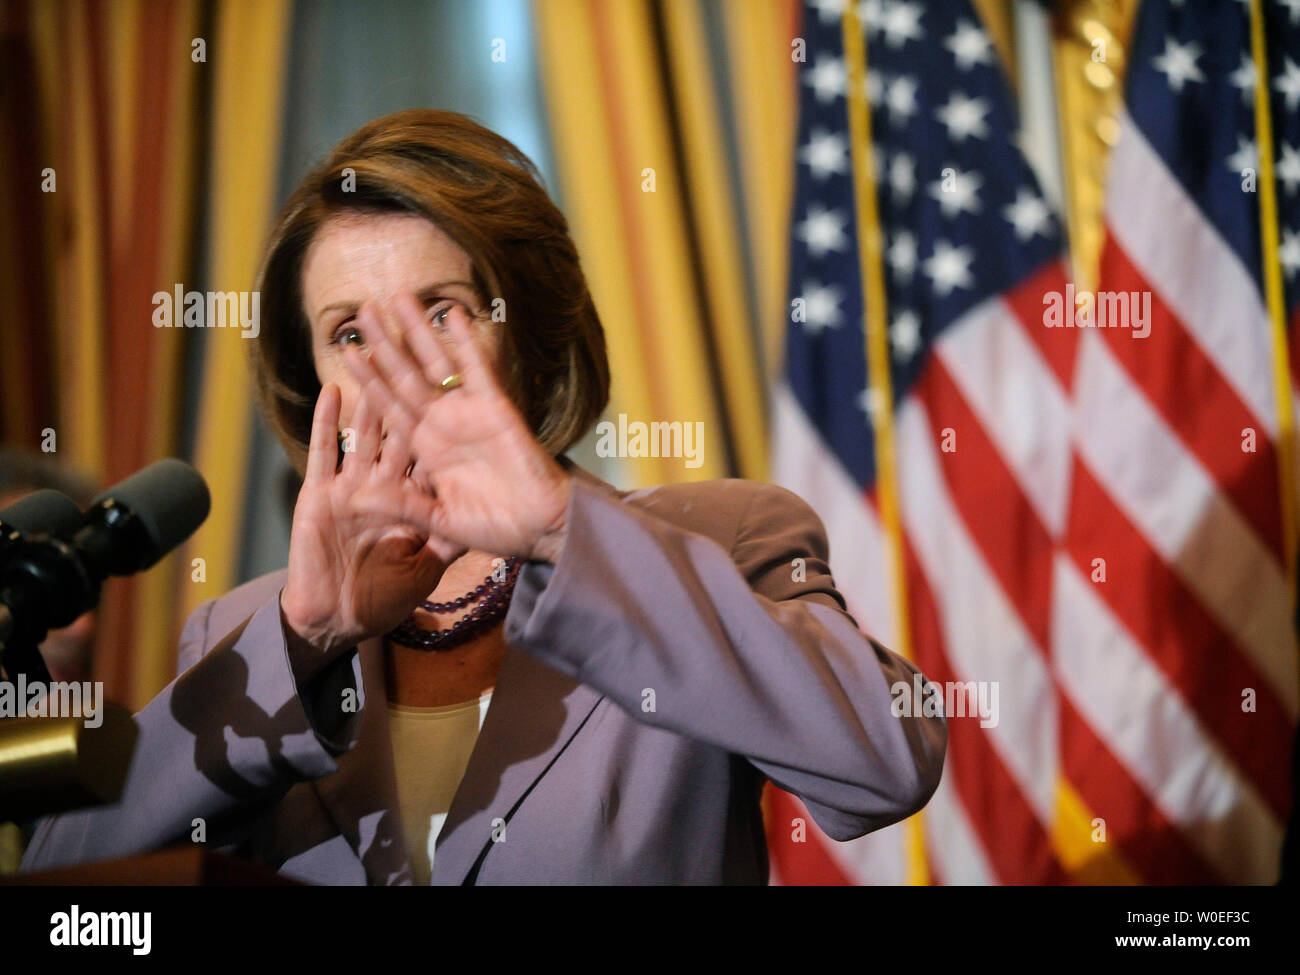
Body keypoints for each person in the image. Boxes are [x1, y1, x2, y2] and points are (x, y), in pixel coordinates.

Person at [19, 109, 947, 885]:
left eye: (441, 310)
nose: (403, 363)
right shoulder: (251, 626)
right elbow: (66, 882)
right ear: (312, 385)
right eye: (350, 331)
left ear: (526, 335)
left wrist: (557, 526)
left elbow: (887, 765)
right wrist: (305, 638)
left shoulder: (717, 535)